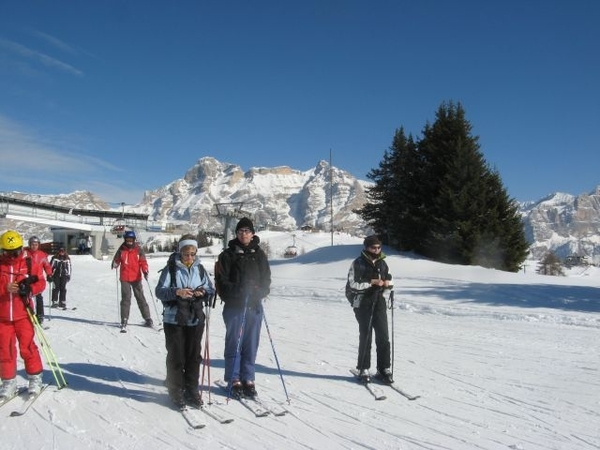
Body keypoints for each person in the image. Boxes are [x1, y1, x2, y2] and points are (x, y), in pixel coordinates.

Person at [155, 234, 214, 409]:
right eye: (186, 253)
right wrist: (177, 292)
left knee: (193, 357)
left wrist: (202, 291)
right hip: (174, 319)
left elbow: (210, 288)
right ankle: (176, 391)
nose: (189, 257)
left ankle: (192, 389)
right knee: (176, 356)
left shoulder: (200, 269)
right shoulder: (171, 269)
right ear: (180, 252)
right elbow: (160, 291)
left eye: (192, 254)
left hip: (195, 319)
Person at [215, 217, 271, 398]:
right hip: (234, 306)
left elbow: (266, 279)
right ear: (236, 234)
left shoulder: (259, 254)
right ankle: (234, 378)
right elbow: (221, 283)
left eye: (247, 231)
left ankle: (248, 378)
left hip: (254, 306)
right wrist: (238, 290)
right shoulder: (227, 255)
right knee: (235, 342)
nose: (243, 234)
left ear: (252, 233)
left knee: (251, 343)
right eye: (240, 231)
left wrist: (259, 291)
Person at [0, 230, 45, 400]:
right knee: (5, 350)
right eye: (8, 252)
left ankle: (34, 378)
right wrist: (4, 288)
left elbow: (40, 281)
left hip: (23, 315)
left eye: (16, 251)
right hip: (3, 317)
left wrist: (30, 289)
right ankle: (8, 382)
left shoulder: (28, 263)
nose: (12, 256)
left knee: (27, 347)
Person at [347, 235, 394, 384]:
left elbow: (390, 279)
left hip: (379, 301)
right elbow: (353, 283)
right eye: (373, 247)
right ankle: (363, 368)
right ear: (366, 247)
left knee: (383, 336)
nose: (377, 250)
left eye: (379, 247)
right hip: (362, 301)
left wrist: (388, 284)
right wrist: (371, 282)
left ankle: (384, 368)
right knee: (366, 335)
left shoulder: (383, 263)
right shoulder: (358, 263)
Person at [111, 230, 152, 331]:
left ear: (134, 240)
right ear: (125, 240)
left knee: (140, 297)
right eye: (127, 240)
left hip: (136, 277)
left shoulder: (138, 250)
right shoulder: (122, 249)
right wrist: (115, 264)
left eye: (131, 240)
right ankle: (124, 319)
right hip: (125, 277)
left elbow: (143, 262)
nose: (129, 242)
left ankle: (147, 318)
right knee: (126, 299)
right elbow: (116, 259)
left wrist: (145, 271)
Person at [25, 236, 53, 325]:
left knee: (38, 297)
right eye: (32, 244)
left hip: (38, 279)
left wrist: (49, 274)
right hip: (27, 278)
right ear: (29, 245)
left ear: (38, 245)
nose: (34, 246)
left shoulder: (42, 255)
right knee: (26, 297)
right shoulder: (25, 253)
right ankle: (27, 315)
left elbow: (47, 265)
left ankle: (40, 315)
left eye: (36, 244)